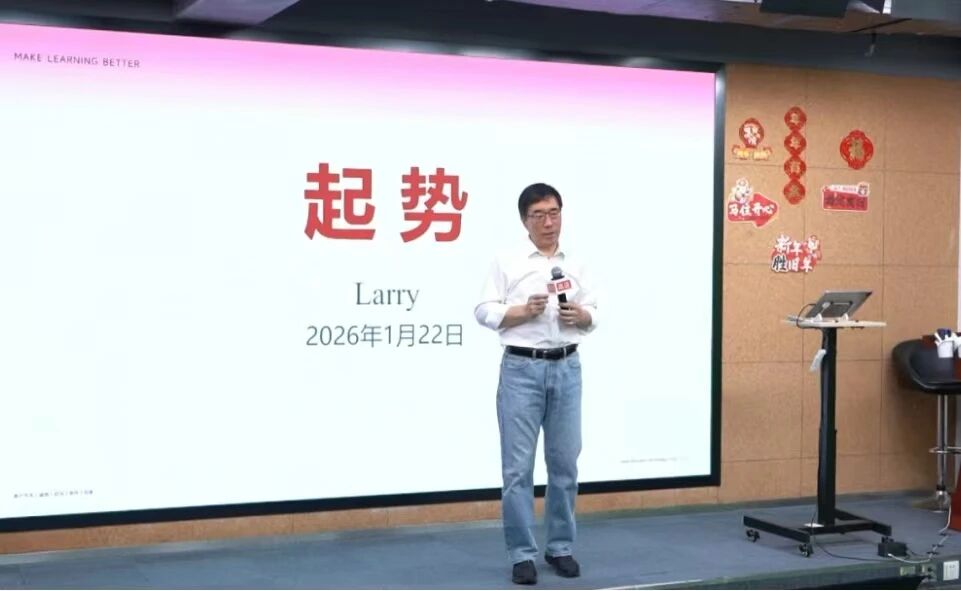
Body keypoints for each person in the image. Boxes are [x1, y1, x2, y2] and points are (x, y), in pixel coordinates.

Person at [474, 182, 598, 585]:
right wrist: (520, 312)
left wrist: (582, 316)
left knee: (565, 466)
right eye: (539, 215)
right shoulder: (507, 261)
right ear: (524, 220)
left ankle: (560, 547)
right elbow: (483, 310)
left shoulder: (575, 263)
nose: (548, 222)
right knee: (517, 470)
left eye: (554, 213)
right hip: (522, 371)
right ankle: (522, 554)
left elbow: (593, 312)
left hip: (567, 368)